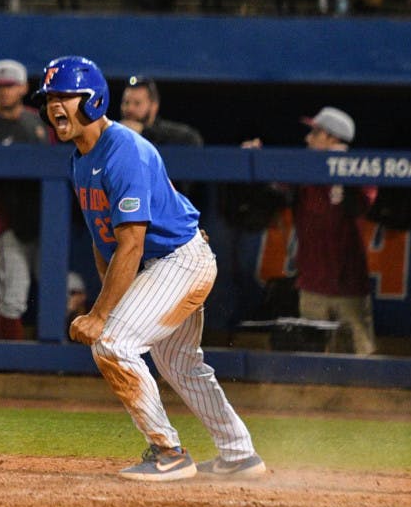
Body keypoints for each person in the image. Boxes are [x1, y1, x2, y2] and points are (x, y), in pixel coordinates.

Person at [36, 55, 264, 481]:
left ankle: (168, 452)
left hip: (179, 261)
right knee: (182, 366)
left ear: (94, 99)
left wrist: (102, 315)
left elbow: (132, 243)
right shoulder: (79, 158)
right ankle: (239, 455)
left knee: (111, 342)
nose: (55, 106)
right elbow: (105, 240)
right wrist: (115, 297)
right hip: (166, 265)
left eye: (66, 95)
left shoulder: (123, 150)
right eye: (50, 97)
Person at [242, 106, 378, 355]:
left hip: (350, 287)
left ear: (333, 139)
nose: (308, 138)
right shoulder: (302, 171)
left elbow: (357, 206)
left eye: (316, 133)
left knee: (360, 359)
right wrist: (256, 156)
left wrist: (340, 168)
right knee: (313, 360)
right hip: (311, 285)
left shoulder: (361, 171)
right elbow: (275, 182)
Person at [0, 59, 54, 340]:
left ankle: (61, 360)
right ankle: (11, 364)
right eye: (0, 86)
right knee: (13, 293)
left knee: (59, 288)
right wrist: (4, 210)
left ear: (23, 87)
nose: (5, 92)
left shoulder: (39, 121)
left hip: (46, 220)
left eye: (11, 86)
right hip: (9, 223)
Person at [119, 75, 203, 146]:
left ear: (154, 106)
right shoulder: (114, 134)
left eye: (137, 103)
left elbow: (193, 140)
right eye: (126, 102)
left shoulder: (168, 134)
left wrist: (144, 132)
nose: (129, 109)